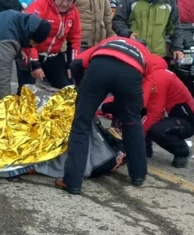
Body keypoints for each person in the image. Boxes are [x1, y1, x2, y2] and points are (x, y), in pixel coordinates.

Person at [57, 36, 150, 194]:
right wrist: (130, 107)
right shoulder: (146, 53)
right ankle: (138, 175)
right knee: (132, 123)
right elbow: (147, 80)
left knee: (81, 124)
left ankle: (72, 182)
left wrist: (83, 91)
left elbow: (76, 64)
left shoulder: (109, 40)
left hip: (100, 68)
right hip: (131, 73)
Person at [17, 0, 82, 91]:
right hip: (30, 52)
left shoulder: (73, 12)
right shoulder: (39, 6)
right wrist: (34, 63)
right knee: (25, 92)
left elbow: (75, 39)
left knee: (68, 90)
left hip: (53, 55)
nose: (65, 4)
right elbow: (26, 36)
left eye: (70, 0)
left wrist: (72, 65)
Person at [113, 0, 183, 60]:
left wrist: (178, 48)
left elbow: (175, 26)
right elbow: (117, 21)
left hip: (158, 55)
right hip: (133, 52)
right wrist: (127, 34)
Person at [141, 55, 194, 168]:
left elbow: (154, 113)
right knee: (136, 112)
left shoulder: (158, 77)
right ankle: (144, 148)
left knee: (156, 130)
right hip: (169, 115)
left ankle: (183, 152)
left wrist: (136, 137)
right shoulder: (148, 72)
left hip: (187, 121)